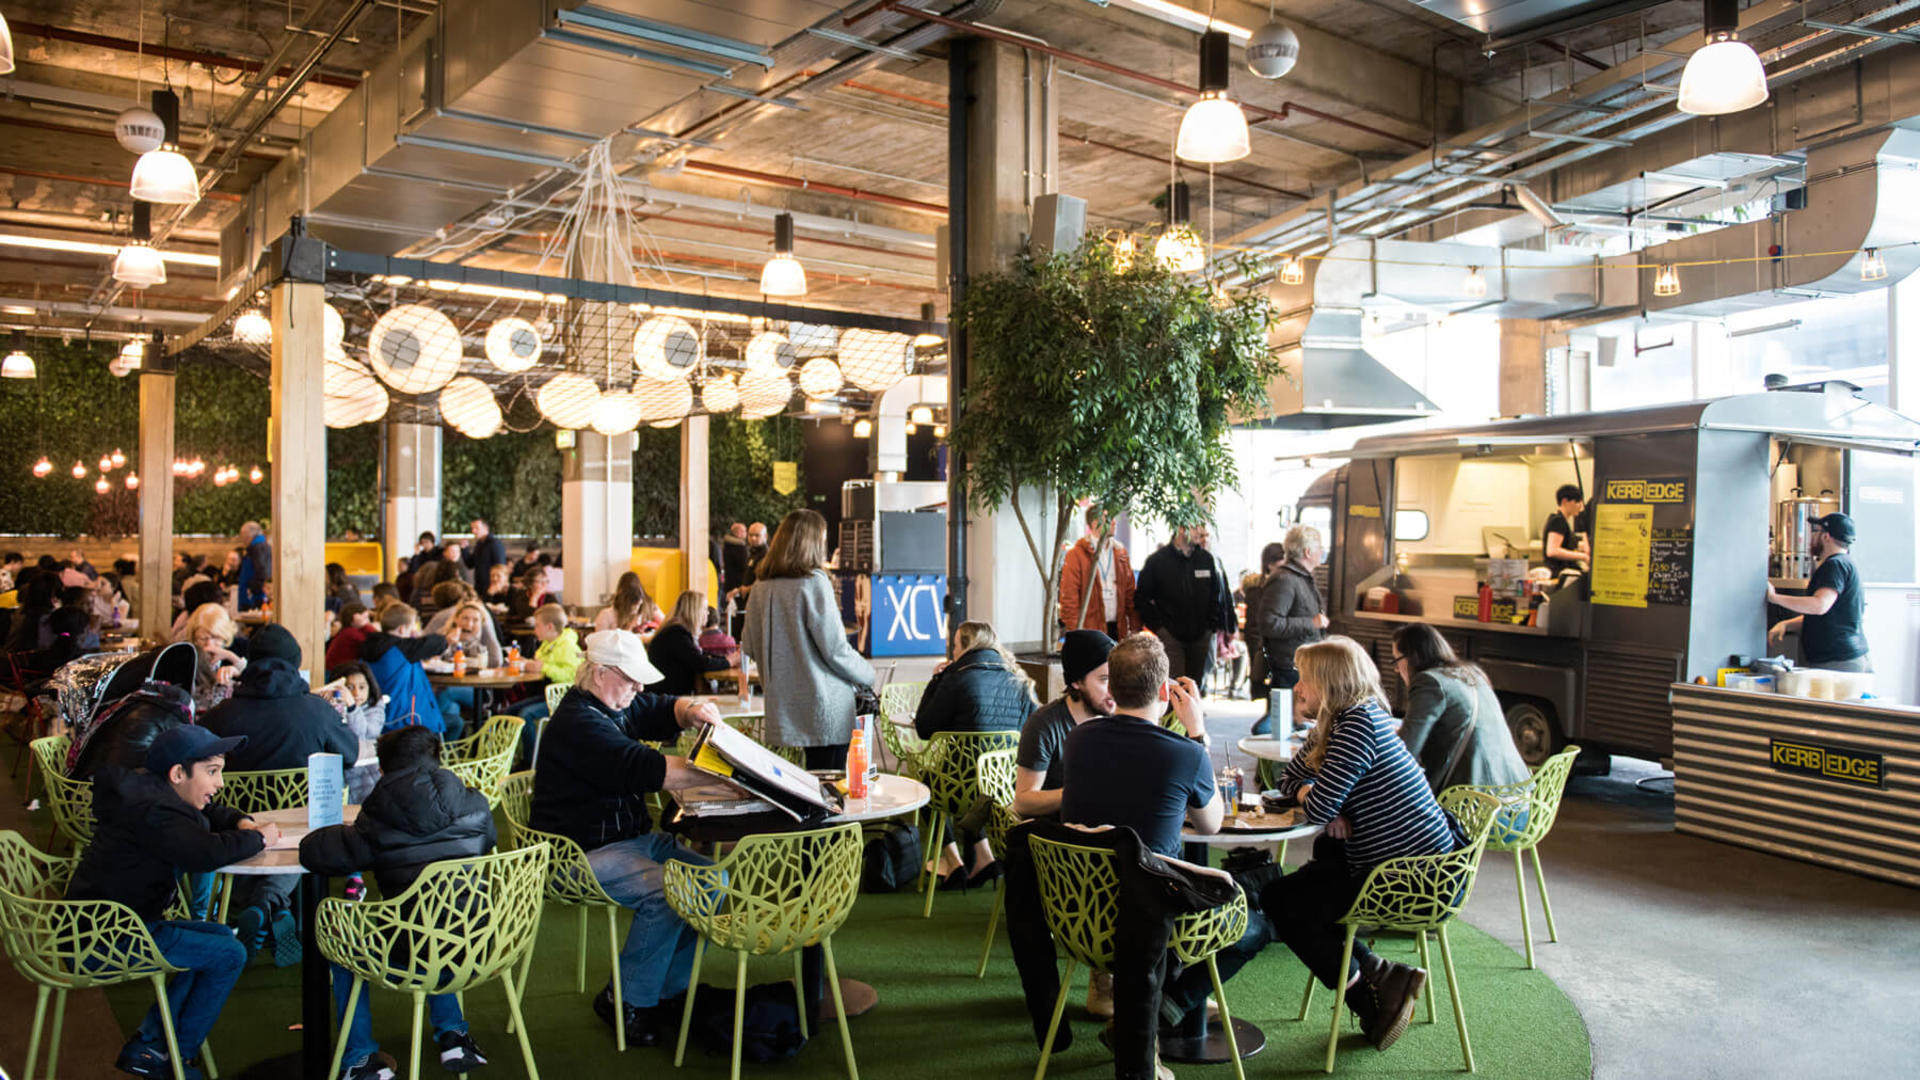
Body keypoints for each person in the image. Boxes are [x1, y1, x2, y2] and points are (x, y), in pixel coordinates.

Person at [1056, 633, 1255, 1049]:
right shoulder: (1185, 753)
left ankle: (1166, 996)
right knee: (1257, 921)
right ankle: (1174, 997)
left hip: (1079, 911)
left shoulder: (1078, 739)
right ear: (1165, 691)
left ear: (1111, 688)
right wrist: (1197, 731)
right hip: (1149, 916)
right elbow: (1211, 824)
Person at [1262, 637, 1459, 1053]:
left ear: (1330, 684)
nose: (1298, 687)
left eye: (1306, 679)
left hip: (1411, 877)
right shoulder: (1345, 721)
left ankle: (1374, 997)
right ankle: (1382, 974)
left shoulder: (1355, 727)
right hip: (1398, 864)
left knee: (1282, 902)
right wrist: (1319, 802)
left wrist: (1317, 802)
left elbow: (1313, 804)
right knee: (1291, 892)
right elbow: (1287, 779)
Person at [529, 631, 725, 1046]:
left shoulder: (611, 703)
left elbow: (661, 706)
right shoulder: (579, 723)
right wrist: (731, 773)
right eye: (631, 679)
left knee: (712, 883)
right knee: (669, 893)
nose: (639, 688)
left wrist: (692, 709)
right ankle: (627, 1001)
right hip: (579, 853)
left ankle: (667, 992)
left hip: (630, 839)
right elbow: (650, 768)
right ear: (599, 674)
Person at [66, 725, 278, 1080]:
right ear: (178, 773)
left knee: (221, 937)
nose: (220, 783)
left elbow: (207, 815)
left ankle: (150, 1045)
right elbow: (205, 852)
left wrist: (238, 820)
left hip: (106, 924)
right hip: (105, 938)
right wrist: (258, 839)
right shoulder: (156, 813)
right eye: (212, 772)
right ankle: (176, 1057)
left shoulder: (151, 795)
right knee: (230, 954)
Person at [301, 726, 494, 1079]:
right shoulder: (477, 805)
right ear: (437, 759)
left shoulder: (376, 817)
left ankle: (359, 1058)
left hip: (414, 953)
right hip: (480, 944)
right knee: (438, 917)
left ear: (382, 769)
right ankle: (454, 1035)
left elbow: (319, 855)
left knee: (342, 938)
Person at [199, 625, 359, 962]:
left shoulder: (219, 717)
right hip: (305, 821)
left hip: (239, 822)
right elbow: (351, 754)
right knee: (310, 820)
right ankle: (272, 906)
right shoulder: (317, 711)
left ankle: (262, 905)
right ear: (294, 663)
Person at [741, 508, 876, 769]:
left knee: (797, 791)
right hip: (825, 707)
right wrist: (867, 673)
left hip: (783, 706)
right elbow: (835, 649)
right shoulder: (814, 583)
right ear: (812, 542)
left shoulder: (760, 587)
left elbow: (750, 645)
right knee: (831, 792)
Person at [913, 620, 1036, 885]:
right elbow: (1032, 728)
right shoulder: (1020, 680)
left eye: (955, 646)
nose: (953, 653)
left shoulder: (958, 678)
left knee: (923, 785)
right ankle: (984, 857)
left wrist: (936, 680)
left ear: (967, 647)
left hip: (960, 786)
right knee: (977, 779)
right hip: (1005, 786)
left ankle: (953, 860)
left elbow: (924, 727)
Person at [1391, 623, 1530, 791]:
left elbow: (1406, 752)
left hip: (1477, 803)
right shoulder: (1472, 673)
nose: (1396, 670)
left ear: (1412, 657)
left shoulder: (1429, 681)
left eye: (1397, 661)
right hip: (1517, 795)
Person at [1012, 630, 1117, 820]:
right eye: (1105, 680)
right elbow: (1023, 802)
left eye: (1116, 679)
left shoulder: (1118, 717)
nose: (1113, 690)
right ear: (1076, 681)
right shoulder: (1045, 724)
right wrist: (1079, 792)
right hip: (1058, 841)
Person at [1133, 524, 1237, 696]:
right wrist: (1159, 627)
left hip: (1202, 635)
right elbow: (1141, 598)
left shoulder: (1206, 559)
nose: (1201, 533)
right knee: (1175, 687)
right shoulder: (1157, 561)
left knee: (1196, 687)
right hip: (1171, 636)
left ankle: (1192, 721)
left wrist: (1211, 626)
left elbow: (1217, 595)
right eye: (1196, 528)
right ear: (1181, 528)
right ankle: (1175, 721)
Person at [1767, 511, 1871, 672]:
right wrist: (1787, 624)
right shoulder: (1845, 563)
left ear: (1826, 537)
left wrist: (1774, 597)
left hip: (1838, 662)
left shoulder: (1835, 565)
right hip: (1846, 658)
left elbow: (1819, 605)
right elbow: (1827, 616)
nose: (1811, 538)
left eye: (1815, 532)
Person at [1256, 525, 1328, 735]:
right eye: (1319, 548)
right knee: (1282, 725)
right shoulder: (1284, 580)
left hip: (1298, 665)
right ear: (1307, 552)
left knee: (1292, 723)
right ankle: (1262, 739)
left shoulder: (1300, 578)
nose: (1321, 553)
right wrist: (1311, 623)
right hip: (1288, 666)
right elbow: (1268, 623)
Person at [358, 603, 453, 735]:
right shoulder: (403, 649)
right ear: (402, 629)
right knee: (453, 720)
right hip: (407, 720)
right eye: (413, 625)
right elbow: (440, 643)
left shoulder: (368, 645)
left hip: (378, 717)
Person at [1057, 506, 1140, 639]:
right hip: (1090, 630)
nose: (1114, 522)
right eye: (1108, 518)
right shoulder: (1077, 555)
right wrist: (1076, 632)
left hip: (1118, 629)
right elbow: (1069, 599)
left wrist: (1135, 627)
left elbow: (1130, 594)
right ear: (1095, 523)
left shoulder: (1120, 553)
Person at [645, 590, 731, 695]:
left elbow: (700, 656)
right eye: (704, 609)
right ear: (695, 611)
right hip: (665, 699)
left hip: (666, 695)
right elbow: (701, 663)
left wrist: (727, 659)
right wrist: (729, 662)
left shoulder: (676, 630)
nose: (708, 613)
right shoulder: (676, 633)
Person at [325, 661, 387, 803]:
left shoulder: (376, 707)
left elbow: (362, 734)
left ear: (370, 687)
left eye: (362, 687)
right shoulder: (334, 706)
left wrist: (352, 707)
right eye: (349, 687)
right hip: (339, 772)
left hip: (367, 777)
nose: (356, 693)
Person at [175, 603, 243, 713]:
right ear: (194, 638)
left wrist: (233, 660)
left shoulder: (238, 648)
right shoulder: (186, 655)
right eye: (203, 638)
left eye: (216, 637)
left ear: (225, 636)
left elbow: (255, 682)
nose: (209, 644)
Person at [1242, 542, 1286, 706]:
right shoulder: (1257, 590)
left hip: (1279, 650)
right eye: (1282, 560)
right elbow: (1253, 627)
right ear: (1270, 564)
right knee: (1270, 691)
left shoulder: (1284, 587)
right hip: (1263, 647)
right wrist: (1258, 651)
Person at [1543, 484, 1590, 576]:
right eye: (1577, 501)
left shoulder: (1559, 520)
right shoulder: (1558, 521)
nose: (1580, 506)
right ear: (1565, 501)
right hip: (1559, 573)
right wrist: (1583, 557)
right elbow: (1552, 551)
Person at [594, 571, 662, 635]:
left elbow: (665, 623)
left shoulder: (648, 606)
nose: (636, 609)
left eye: (638, 605)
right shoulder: (607, 615)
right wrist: (630, 626)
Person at [325, 601, 374, 670]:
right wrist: (369, 627)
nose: (368, 621)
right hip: (333, 672)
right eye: (365, 618)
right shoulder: (349, 633)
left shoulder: (350, 631)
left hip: (339, 669)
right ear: (354, 617)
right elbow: (371, 640)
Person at [235, 521, 272, 611]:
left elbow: (262, 571)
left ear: (249, 535)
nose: (242, 538)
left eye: (242, 535)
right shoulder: (255, 547)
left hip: (254, 599)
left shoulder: (258, 548)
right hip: (252, 597)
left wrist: (251, 588)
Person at [465, 519, 506, 598]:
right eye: (472, 528)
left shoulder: (495, 543)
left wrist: (496, 586)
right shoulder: (479, 544)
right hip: (479, 586)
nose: (473, 531)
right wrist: (464, 550)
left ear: (486, 529)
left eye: (476, 528)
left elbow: (500, 567)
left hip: (492, 586)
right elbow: (470, 564)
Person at [720, 522, 750, 597]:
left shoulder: (728, 545)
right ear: (738, 533)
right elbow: (744, 566)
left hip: (729, 582)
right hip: (738, 584)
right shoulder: (739, 547)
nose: (746, 533)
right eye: (744, 531)